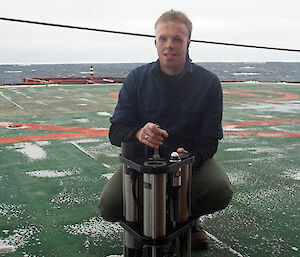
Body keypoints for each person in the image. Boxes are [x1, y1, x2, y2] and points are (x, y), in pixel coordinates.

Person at [98, 9, 233, 251]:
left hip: (189, 164)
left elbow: (210, 139)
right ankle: (144, 218)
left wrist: (191, 159)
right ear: (155, 41)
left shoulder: (209, 83)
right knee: (110, 206)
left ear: (188, 42)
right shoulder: (136, 79)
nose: (169, 45)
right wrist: (139, 133)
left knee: (218, 190)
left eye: (177, 39)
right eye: (163, 38)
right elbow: (116, 131)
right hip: (141, 163)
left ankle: (189, 221)